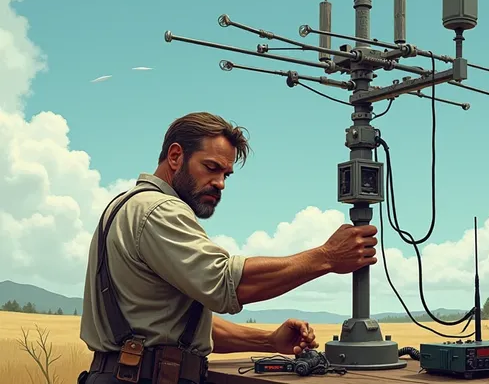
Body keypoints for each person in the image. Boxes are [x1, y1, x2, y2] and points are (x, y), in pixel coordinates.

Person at [78, 112, 378, 384]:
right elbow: (226, 284)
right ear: (175, 156)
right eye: (211, 168)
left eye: (226, 174)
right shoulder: (159, 211)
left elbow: (182, 328)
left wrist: (269, 341)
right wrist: (326, 257)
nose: (220, 183)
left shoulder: (126, 206)